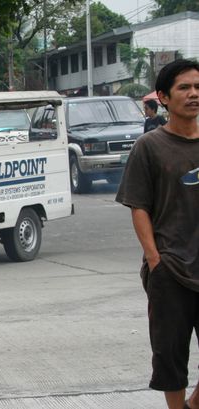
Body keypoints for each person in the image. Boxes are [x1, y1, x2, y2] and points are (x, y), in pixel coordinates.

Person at [115, 59, 199, 409]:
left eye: (198, 87)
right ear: (163, 97)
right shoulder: (149, 146)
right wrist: (155, 260)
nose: (194, 94)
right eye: (184, 88)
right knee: (170, 359)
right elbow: (139, 207)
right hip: (171, 270)